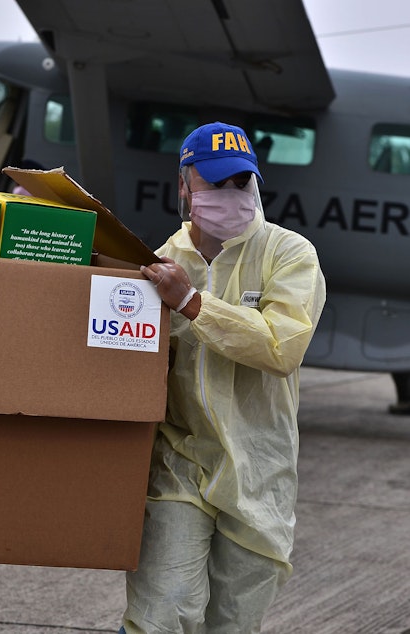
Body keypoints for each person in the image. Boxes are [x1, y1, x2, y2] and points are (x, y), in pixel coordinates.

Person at [120, 121, 326, 633]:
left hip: (259, 472)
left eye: (240, 183)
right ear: (184, 186)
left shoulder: (289, 254)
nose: (230, 195)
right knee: (162, 613)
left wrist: (191, 304)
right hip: (180, 465)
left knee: (233, 623)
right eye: (215, 183)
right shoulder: (161, 265)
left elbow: (282, 347)